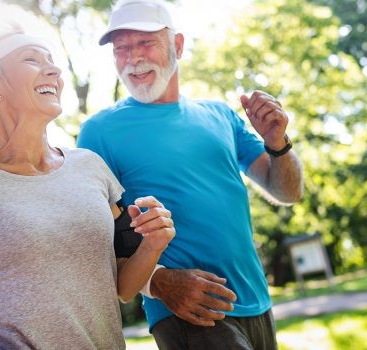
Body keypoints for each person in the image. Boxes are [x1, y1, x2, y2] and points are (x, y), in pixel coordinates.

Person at [77, 0, 304, 348]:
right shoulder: (99, 132)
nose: (132, 58)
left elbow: (287, 192)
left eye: (145, 43)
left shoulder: (219, 115)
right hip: (188, 310)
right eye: (121, 48)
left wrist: (277, 142)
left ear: (178, 46)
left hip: (257, 301)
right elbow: (99, 240)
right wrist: (160, 282)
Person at [0, 21, 175, 349]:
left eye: (51, 60)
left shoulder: (90, 165)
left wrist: (152, 245)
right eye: (32, 60)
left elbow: (122, 285)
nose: (53, 70)